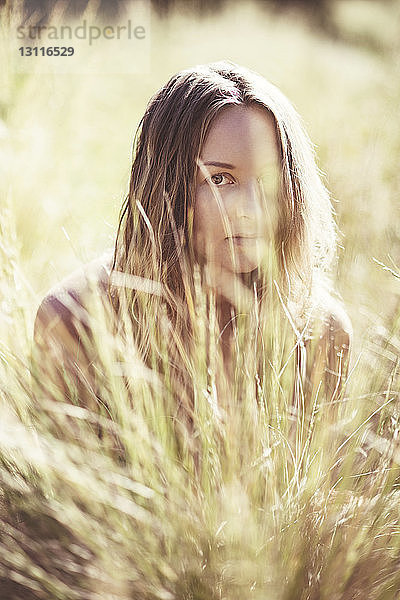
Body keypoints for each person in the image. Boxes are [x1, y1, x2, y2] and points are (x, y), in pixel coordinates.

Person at [33, 60, 352, 433]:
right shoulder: (74, 320)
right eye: (220, 179)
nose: (251, 210)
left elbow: (321, 490)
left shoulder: (320, 332)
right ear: (167, 185)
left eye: (269, 179)